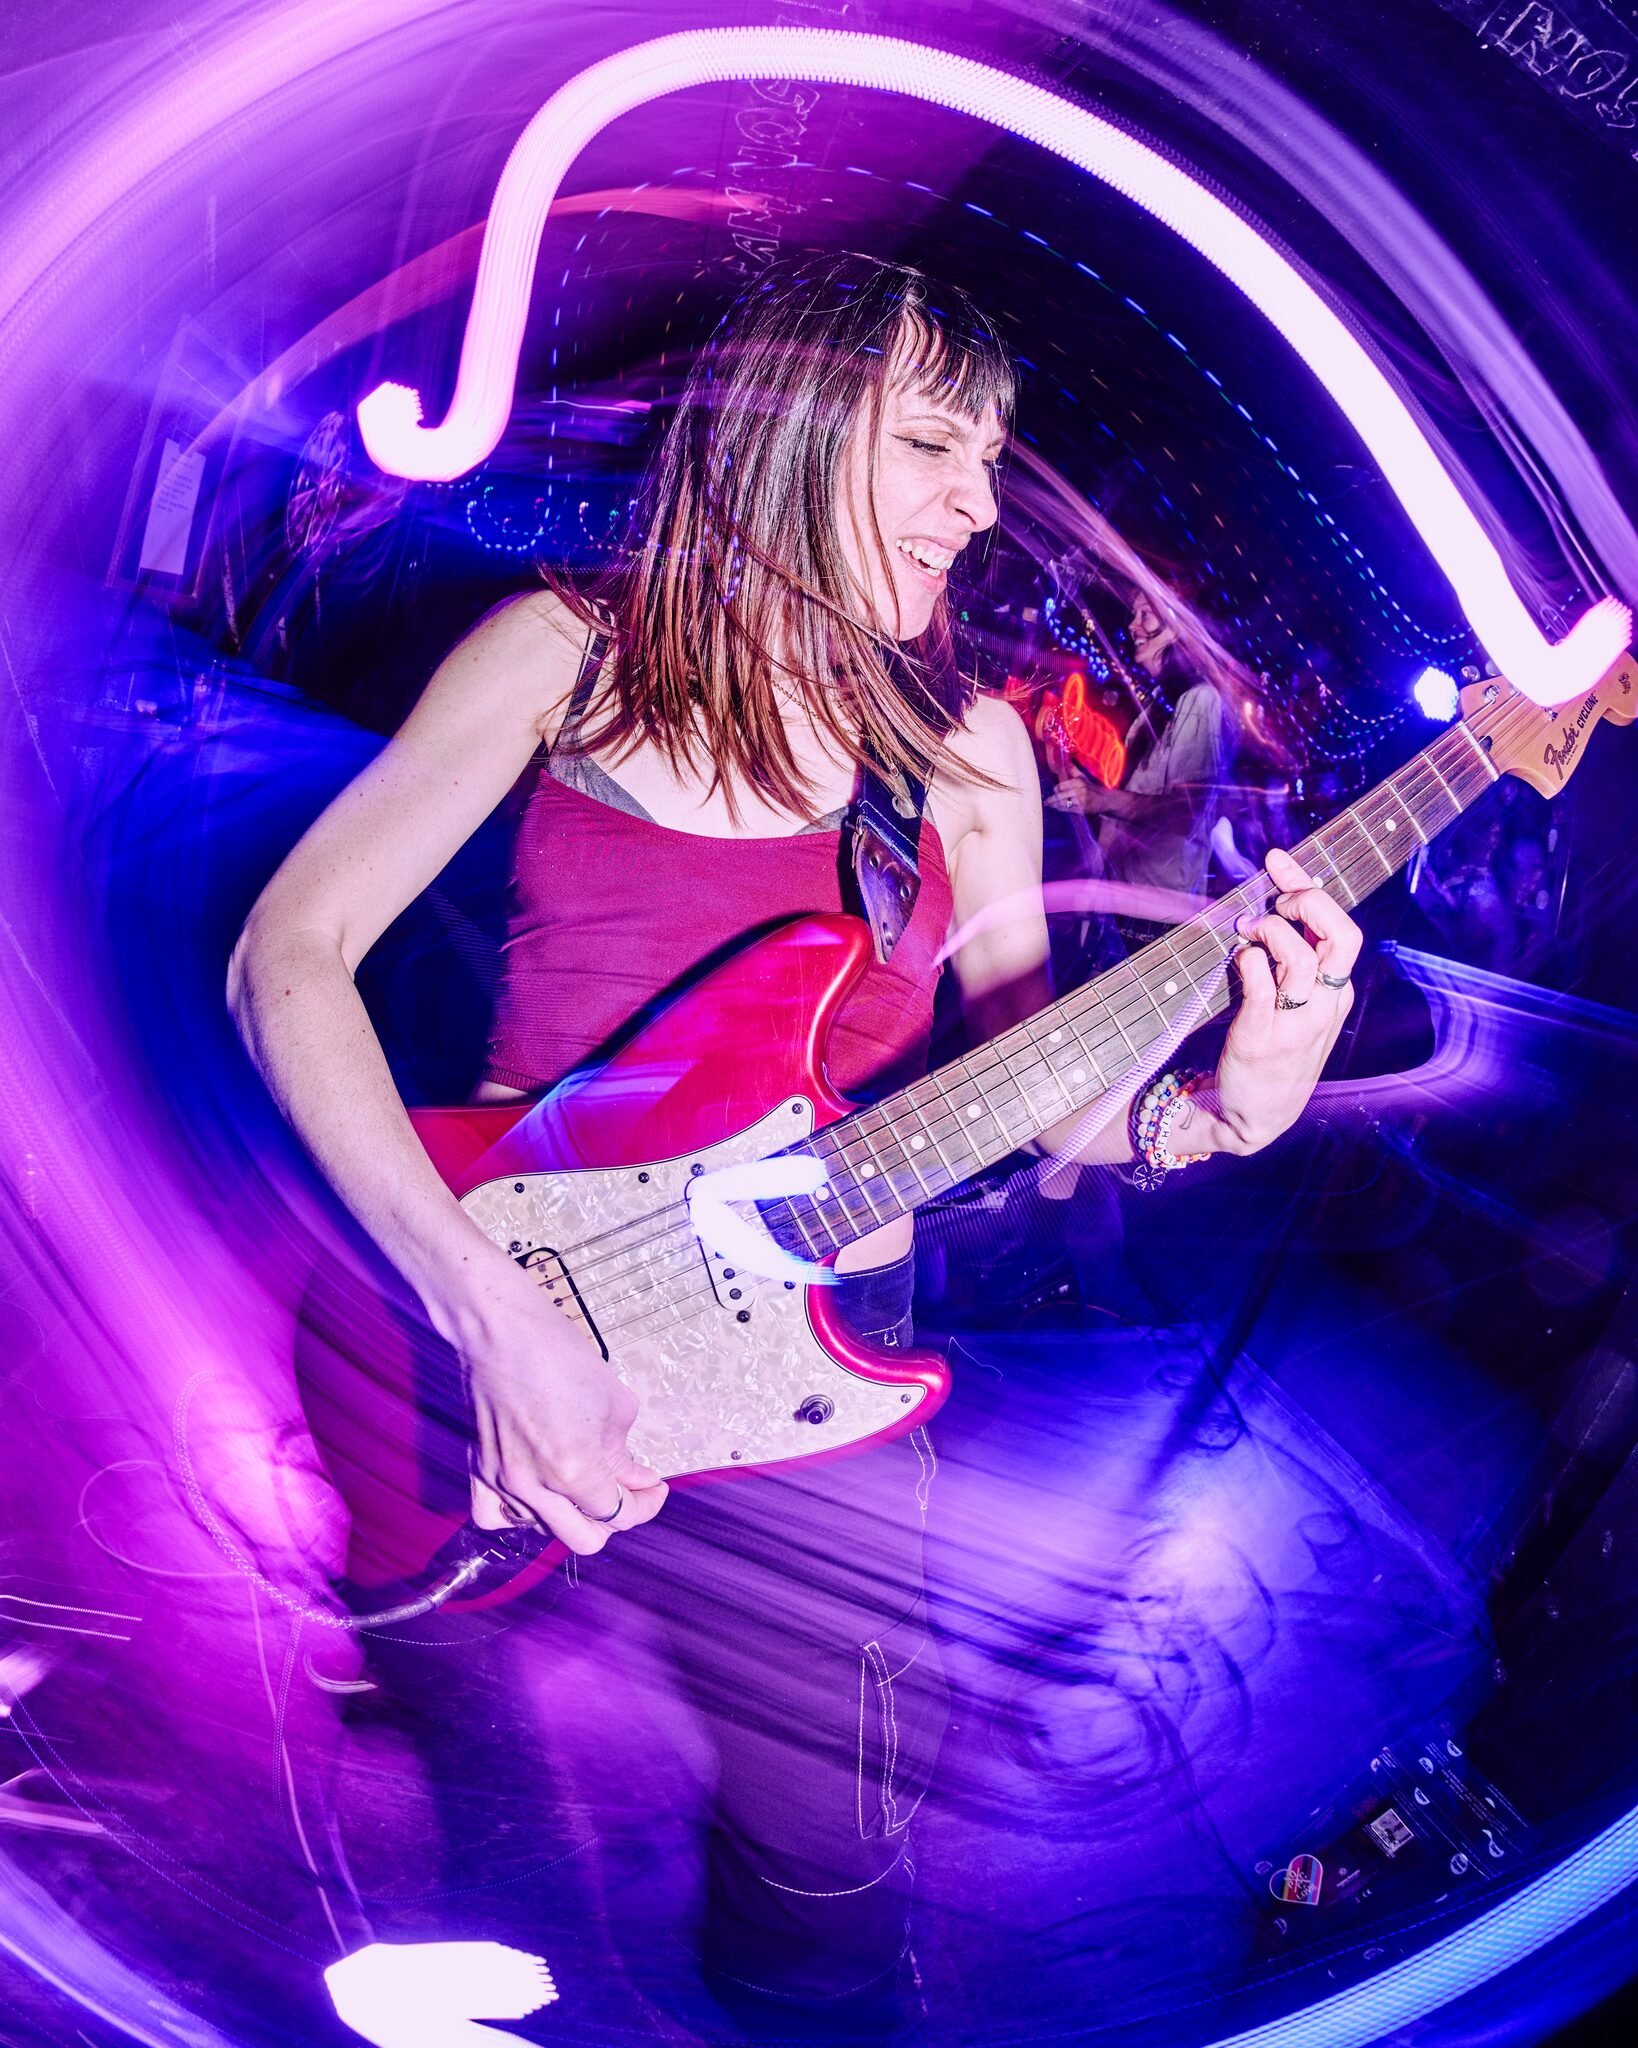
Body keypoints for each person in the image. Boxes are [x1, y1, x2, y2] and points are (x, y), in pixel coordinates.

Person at [228, 252, 1361, 2038]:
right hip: (479, 1320)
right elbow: (286, 956)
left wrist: (1226, 1101)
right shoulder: (562, 654)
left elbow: (1039, 1097)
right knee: (482, 1812)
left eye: (985, 455)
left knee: (825, 1883)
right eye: (929, 444)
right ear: (789, 426)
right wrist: (483, 1311)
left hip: (810, 1396)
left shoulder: (966, 754)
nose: (977, 504)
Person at [1048, 587, 1231, 915]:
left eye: (1146, 614)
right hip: (1122, 893)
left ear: (1177, 628)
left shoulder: (1201, 699)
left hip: (1157, 911)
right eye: (1135, 614)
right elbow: (1135, 798)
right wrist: (1082, 785)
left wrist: (1102, 799)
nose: (1133, 625)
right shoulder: (1158, 706)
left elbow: (1185, 813)